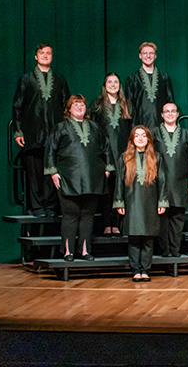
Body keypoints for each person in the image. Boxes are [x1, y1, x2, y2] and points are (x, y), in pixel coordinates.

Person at [44, 95, 113, 262]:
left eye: (82, 104)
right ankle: (68, 252)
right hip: (69, 179)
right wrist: (53, 172)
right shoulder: (60, 128)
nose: (79, 107)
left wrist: (108, 169)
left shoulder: (95, 127)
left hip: (92, 179)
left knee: (88, 215)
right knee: (70, 215)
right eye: (75, 104)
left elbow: (106, 148)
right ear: (69, 109)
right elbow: (50, 150)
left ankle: (84, 251)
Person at [12, 43, 71, 216]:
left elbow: (66, 105)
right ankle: (37, 207)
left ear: (52, 57)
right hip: (33, 133)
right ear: (36, 57)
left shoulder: (59, 80)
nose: (45, 55)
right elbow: (17, 106)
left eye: (48, 53)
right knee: (34, 171)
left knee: (52, 171)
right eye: (41, 53)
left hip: (55, 134)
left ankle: (51, 206)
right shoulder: (26, 79)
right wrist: (18, 131)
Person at [115, 126, 168, 282]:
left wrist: (162, 200)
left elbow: (163, 181)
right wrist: (119, 202)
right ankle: (136, 269)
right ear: (132, 139)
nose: (140, 138)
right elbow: (119, 182)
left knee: (148, 237)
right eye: (136, 136)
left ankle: (145, 269)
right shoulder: (124, 157)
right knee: (134, 237)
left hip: (150, 202)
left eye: (143, 136)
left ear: (148, 139)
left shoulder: (157, 157)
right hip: (132, 202)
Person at [151, 103, 188, 257]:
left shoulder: (186, 134)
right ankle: (164, 250)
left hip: (180, 182)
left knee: (178, 219)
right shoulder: (154, 134)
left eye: (173, 111)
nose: (170, 114)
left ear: (178, 114)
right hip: (160, 182)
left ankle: (175, 249)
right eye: (167, 111)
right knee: (162, 218)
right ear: (162, 114)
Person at [89, 73, 132, 236]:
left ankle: (118, 223)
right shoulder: (97, 105)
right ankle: (107, 224)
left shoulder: (126, 105)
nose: (113, 84)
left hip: (123, 154)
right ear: (104, 84)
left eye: (116, 82)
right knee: (107, 191)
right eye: (110, 82)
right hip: (104, 154)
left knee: (120, 189)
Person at [124, 42, 175, 128]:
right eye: (145, 53)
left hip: (161, 126)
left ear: (155, 56)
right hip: (140, 126)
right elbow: (129, 105)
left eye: (151, 53)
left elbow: (170, 101)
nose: (148, 56)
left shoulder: (164, 77)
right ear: (140, 55)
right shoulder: (132, 79)